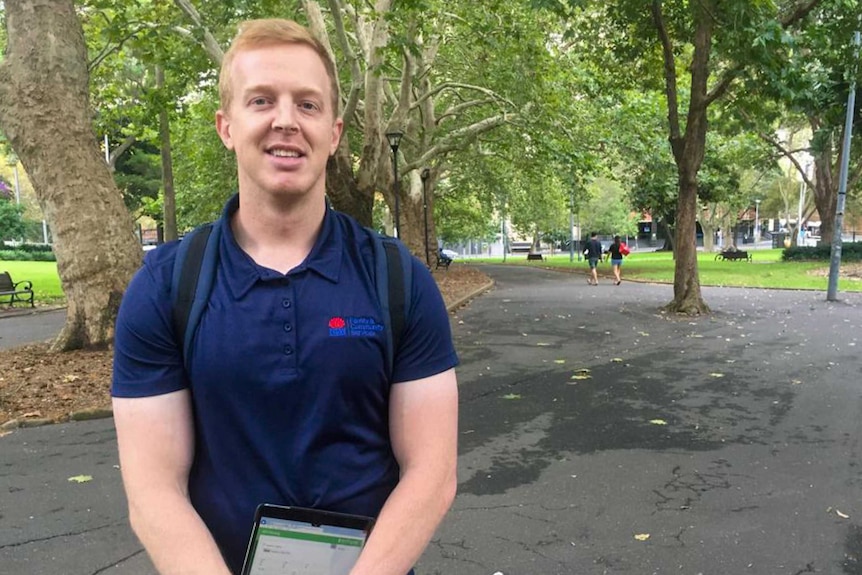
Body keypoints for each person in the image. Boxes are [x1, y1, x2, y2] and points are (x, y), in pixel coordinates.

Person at [111, 19, 459, 575]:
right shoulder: (165, 287)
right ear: (227, 126)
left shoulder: (398, 280)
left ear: (335, 132)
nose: (285, 121)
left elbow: (432, 474)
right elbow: (154, 492)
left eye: (308, 104)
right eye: (261, 100)